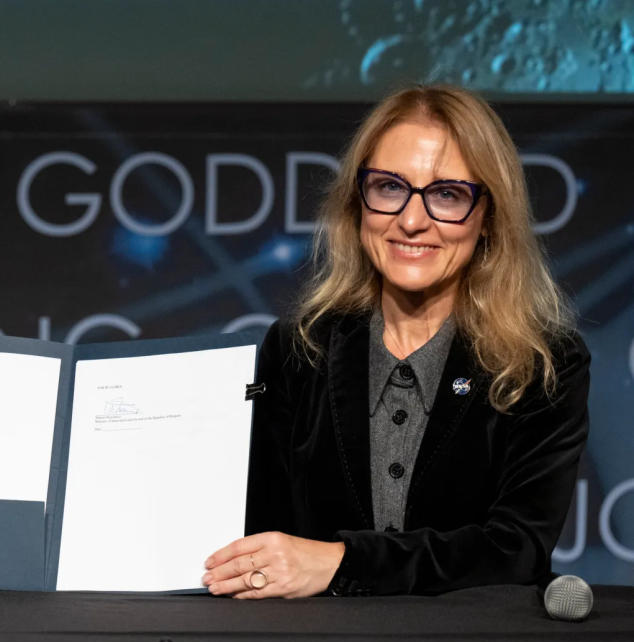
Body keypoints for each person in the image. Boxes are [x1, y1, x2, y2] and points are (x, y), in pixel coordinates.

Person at [202, 84, 589, 598]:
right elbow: (262, 536)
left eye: (447, 194)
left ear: (488, 218)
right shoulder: (299, 350)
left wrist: (345, 562)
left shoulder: (543, 364)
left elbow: (516, 550)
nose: (411, 219)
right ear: (358, 203)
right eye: (389, 187)